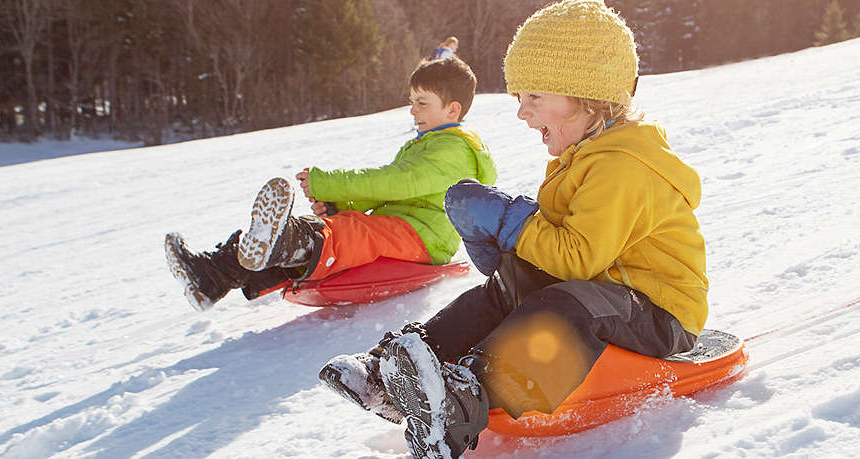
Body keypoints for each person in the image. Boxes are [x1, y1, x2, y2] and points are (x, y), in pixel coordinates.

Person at [317, 1, 709, 458]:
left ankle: (464, 398)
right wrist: (506, 250)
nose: (523, 113)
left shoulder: (623, 166)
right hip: (604, 288)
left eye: (535, 98)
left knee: (563, 304)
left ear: (589, 95)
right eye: (519, 99)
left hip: (659, 311)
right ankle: (393, 375)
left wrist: (510, 222)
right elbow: (562, 250)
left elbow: (577, 258)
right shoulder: (582, 158)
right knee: (508, 288)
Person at [165, 56, 497, 312]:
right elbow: (395, 196)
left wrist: (330, 185)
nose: (412, 111)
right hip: (401, 226)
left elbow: (397, 184)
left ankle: (285, 242)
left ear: (453, 109)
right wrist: (340, 206)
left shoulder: (454, 149)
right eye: (411, 102)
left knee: (347, 233)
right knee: (331, 227)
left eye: (421, 103)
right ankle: (211, 275)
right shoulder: (430, 143)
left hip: (424, 236)